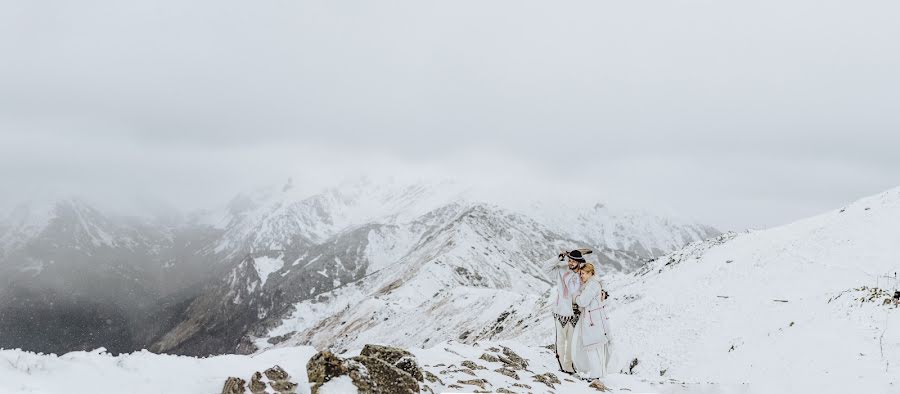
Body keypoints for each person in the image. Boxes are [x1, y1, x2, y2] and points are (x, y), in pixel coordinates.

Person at [543, 249, 589, 374]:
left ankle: (569, 366)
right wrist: (559, 257)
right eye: (570, 260)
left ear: (579, 262)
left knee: (572, 342)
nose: (571, 262)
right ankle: (561, 366)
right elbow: (546, 268)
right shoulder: (561, 269)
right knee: (561, 341)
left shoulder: (583, 273)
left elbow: (595, 281)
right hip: (561, 312)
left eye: (574, 261)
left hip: (576, 313)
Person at [572, 262, 612, 381]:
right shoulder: (593, 283)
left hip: (592, 321)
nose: (581, 276)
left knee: (592, 347)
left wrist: (575, 297)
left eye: (583, 274)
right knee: (594, 347)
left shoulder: (592, 286)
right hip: (594, 320)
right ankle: (596, 373)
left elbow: (583, 301)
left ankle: (595, 375)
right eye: (580, 274)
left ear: (590, 273)